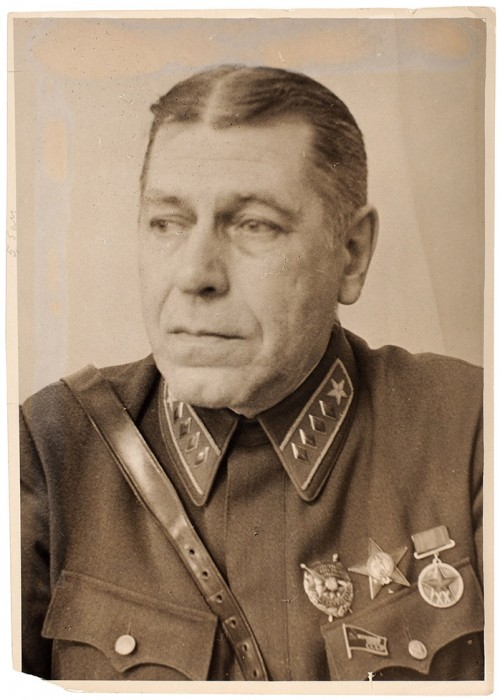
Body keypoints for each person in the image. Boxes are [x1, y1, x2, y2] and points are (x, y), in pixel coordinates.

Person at [20, 65, 484, 682]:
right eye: (167, 222)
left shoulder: (469, 428)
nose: (195, 274)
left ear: (351, 254)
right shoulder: (51, 447)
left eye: (253, 224)